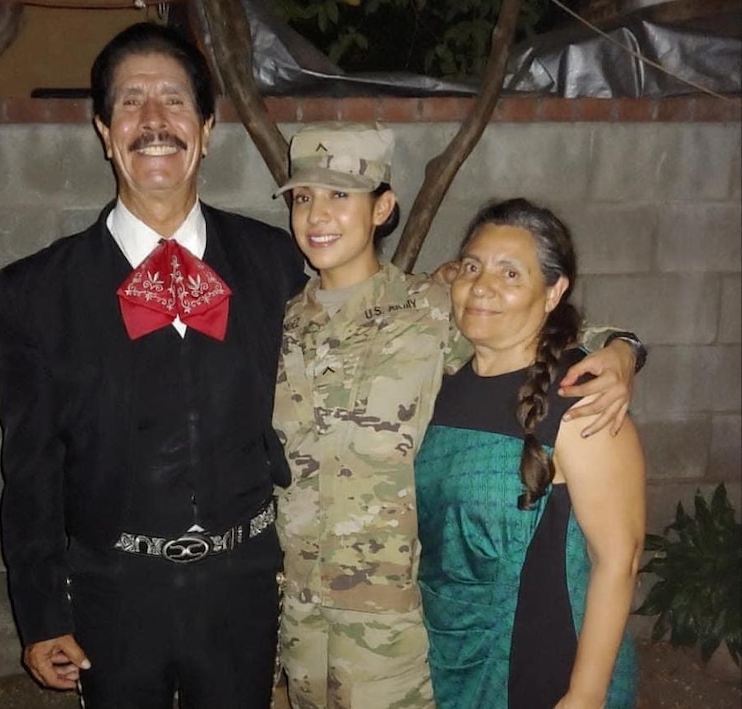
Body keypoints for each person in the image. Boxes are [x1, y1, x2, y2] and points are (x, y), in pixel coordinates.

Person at [271, 123, 645, 709]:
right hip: (306, 627)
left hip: (395, 640)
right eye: (303, 196)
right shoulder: (279, 325)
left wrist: (625, 350)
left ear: (383, 207)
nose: (318, 213)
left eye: (341, 194)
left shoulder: (427, 313)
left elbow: (542, 337)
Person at [0, 22, 306, 709]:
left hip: (242, 586)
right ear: (104, 131)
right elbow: (30, 467)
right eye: (131, 102)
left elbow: (398, 321)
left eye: (174, 100)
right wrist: (43, 612)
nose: (154, 120)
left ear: (209, 127)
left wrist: (603, 346)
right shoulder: (35, 292)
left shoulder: (273, 263)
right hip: (112, 590)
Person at [415, 198, 645, 708]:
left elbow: (619, 559)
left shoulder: (580, 401)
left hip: (546, 663)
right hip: (451, 653)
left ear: (553, 291)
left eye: (510, 273)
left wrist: (585, 693)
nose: (482, 286)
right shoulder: (442, 386)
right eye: (472, 267)